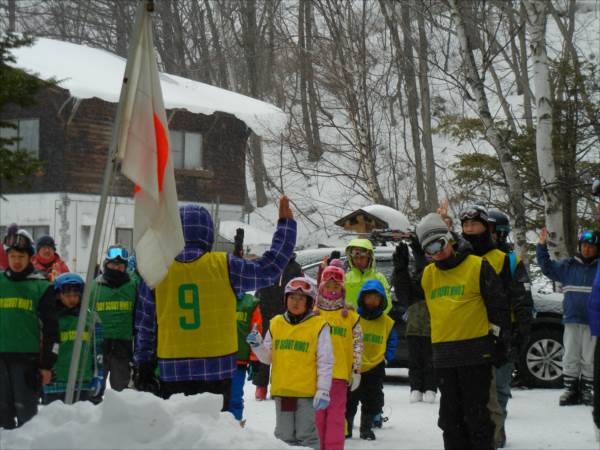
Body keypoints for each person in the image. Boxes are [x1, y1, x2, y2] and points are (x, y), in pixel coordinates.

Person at [133, 196, 297, 410]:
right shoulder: (225, 266)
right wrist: (285, 229)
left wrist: (143, 365)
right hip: (217, 368)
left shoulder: (159, 270)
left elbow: (144, 325)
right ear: (208, 233)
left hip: (172, 368)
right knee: (213, 433)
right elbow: (269, 269)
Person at [417, 213, 510, 450]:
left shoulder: (477, 266)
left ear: (449, 239)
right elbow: (410, 298)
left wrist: (500, 342)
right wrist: (401, 268)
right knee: (450, 420)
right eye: (429, 250)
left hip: (475, 355)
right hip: (445, 357)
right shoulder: (429, 273)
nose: (436, 253)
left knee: (477, 417)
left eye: (438, 244)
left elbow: (498, 307)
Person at [460, 205, 533, 448]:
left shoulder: (508, 261)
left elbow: (522, 298)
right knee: (474, 390)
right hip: (471, 332)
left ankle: (496, 434)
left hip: (503, 333)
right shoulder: (465, 257)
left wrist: (521, 332)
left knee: (499, 388)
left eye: (496, 231)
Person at [247, 277, 333, 450]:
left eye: (301, 298)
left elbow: (326, 361)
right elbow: (268, 358)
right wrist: (257, 346)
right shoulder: (277, 323)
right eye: (292, 297)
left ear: (309, 302)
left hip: (307, 393)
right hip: (283, 391)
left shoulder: (318, 325)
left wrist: (323, 389)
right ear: (285, 299)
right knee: (284, 436)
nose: (296, 302)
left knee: (306, 435)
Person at [0, 229, 58, 428]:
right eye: (12, 256)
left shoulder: (41, 286)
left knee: (28, 424)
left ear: (30, 257)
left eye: (21, 256)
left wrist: (47, 365)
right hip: (0, 360)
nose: (16, 261)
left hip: (27, 363)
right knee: (2, 422)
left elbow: (52, 330)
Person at [537, 227, 599, 406]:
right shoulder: (568, 266)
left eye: (592, 247)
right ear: (580, 247)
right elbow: (547, 267)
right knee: (570, 354)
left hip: (593, 321)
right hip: (572, 319)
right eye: (585, 246)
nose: (587, 249)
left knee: (589, 357)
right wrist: (542, 246)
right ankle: (571, 389)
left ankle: (587, 389)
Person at [314, 265, 362, 450]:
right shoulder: (313, 314)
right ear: (322, 288)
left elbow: (358, 344)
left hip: (340, 375)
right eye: (328, 286)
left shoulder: (350, 316)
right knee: (317, 417)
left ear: (342, 289)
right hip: (316, 376)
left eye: (336, 287)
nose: (332, 290)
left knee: (336, 418)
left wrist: (356, 370)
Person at [345, 279, 397, 441]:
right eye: (369, 297)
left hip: (375, 366)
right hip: (355, 366)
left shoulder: (387, 322)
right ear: (363, 298)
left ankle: (366, 428)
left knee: (371, 400)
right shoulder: (354, 317)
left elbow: (392, 341)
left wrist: (386, 358)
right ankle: (346, 427)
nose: (372, 300)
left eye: (376, 297)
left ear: (382, 300)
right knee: (350, 400)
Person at [42, 273, 104, 404]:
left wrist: (98, 375)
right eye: (67, 295)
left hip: (83, 382)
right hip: (56, 383)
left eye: (75, 295)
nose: (72, 299)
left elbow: (97, 349)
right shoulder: (49, 319)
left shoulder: (91, 318)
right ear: (58, 295)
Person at [392, 236, 437, 404]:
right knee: (415, 361)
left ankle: (431, 388)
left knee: (430, 361)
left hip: (432, 329)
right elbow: (404, 291)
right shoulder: (413, 285)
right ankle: (416, 388)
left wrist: (418, 254)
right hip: (413, 329)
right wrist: (400, 269)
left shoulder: (433, 276)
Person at [254, 253, 303, 400]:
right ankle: (260, 386)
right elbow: (260, 285)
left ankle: (277, 384)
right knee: (265, 348)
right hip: (266, 312)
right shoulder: (267, 264)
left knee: (282, 351)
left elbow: (299, 289)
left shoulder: (295, 268)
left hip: (286, 314)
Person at [90, 245, 138, 394]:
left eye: (120, 265)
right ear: (106, 264)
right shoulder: (94, 287)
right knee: (94, 392)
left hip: (123, 347)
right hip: (99, 346)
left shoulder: (133, 286)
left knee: (122, 393)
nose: (117, 268)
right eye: (113, 264)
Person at [228, 292, 262, 424]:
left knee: (235, 398)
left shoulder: (250, 303)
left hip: (239, 360)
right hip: (215, 360)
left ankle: (236, 430)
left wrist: (255, 358)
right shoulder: (216, 295)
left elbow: (255, 331)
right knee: (216, 399)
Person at [344, 238, 392, 313]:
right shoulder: (345, 278)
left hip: (372, 321)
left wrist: (375, 315)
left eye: (362, 257)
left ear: (369, 257)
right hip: (350, 322)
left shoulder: (378, 278)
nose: (358, 261)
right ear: (351, 258)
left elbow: (387, 303)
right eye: (355, 258)